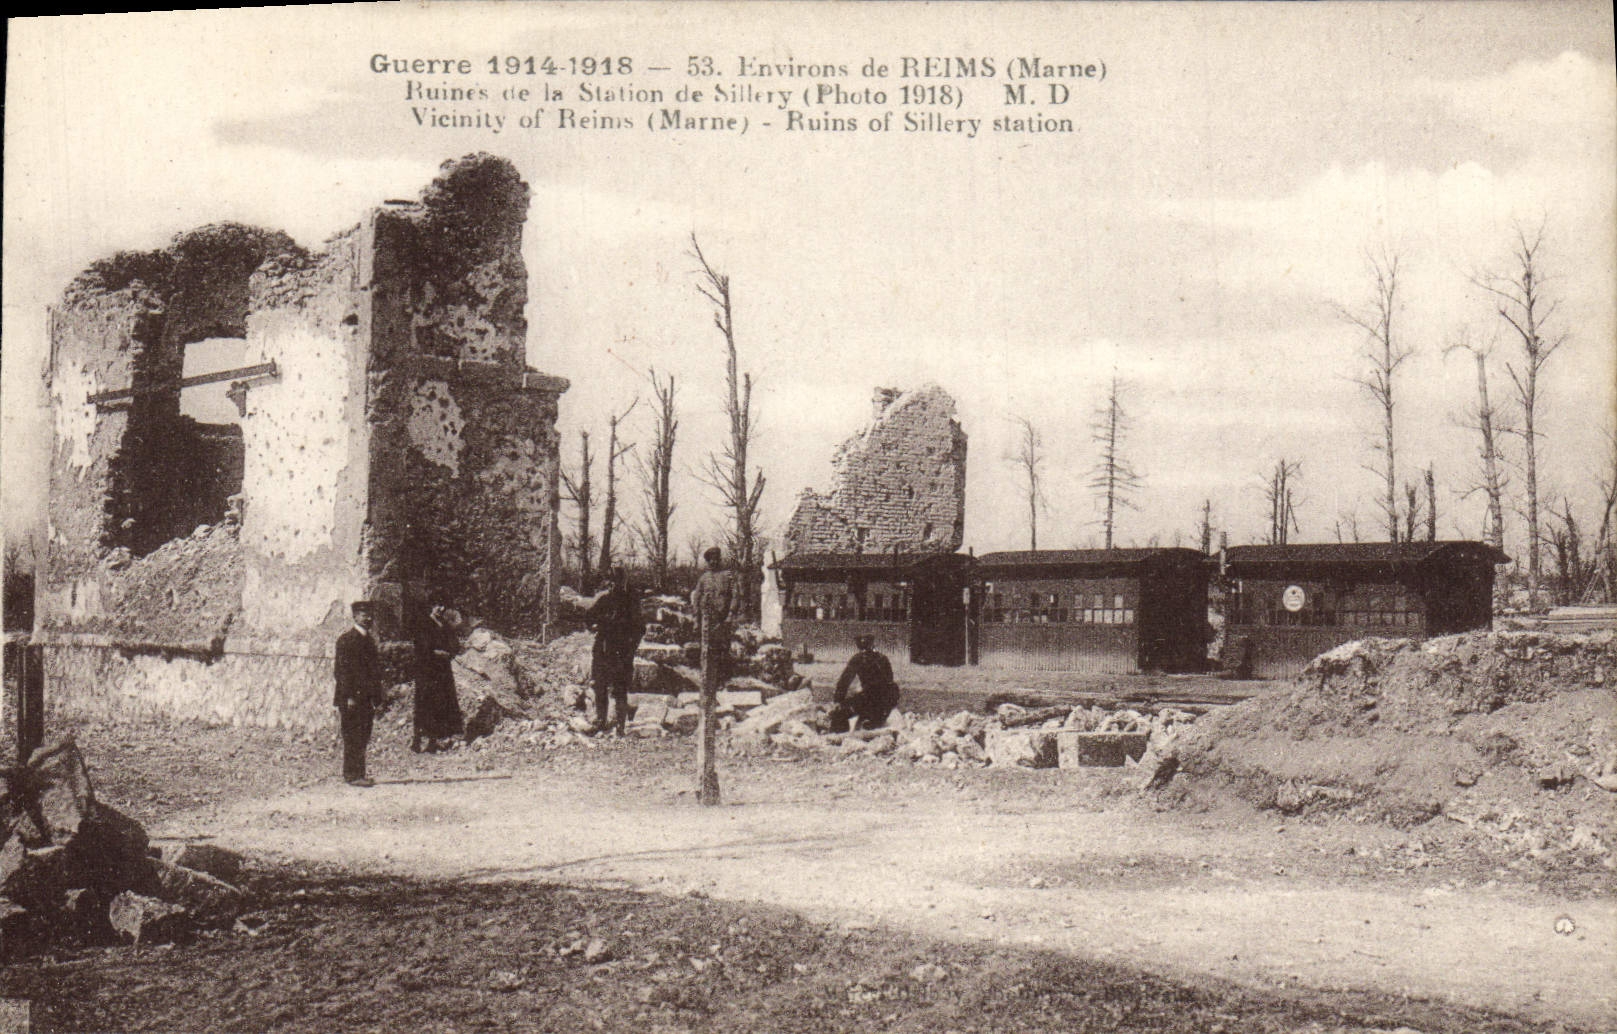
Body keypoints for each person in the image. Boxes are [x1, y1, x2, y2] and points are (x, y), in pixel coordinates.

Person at [334, 600, 385, 786]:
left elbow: (374, 672)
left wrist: (376, 697)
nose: (368, 618)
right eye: (364, 614)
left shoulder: (369, 640)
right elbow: (341, 671)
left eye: (370, 614)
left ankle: (359, 773)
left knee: (363, 734)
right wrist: (348, 696)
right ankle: (351, 775)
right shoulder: (346, 640)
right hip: (351, 698)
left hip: (366, 698)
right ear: (355, 616)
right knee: (352, 735)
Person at [588, 567, 644, 736]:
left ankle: (620, 724)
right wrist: (593, 625)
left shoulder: (631, 602)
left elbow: (640, 628)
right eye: (611, 582)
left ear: (623, 582)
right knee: (600, 686)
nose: (613, 585)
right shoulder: (604, 600)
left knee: (620, 688)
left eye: (617, 581)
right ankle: (601, 720)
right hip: (603, 649)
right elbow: (589, 616)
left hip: (621, 651)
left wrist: (631, 648)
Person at [412, 602, 464, 752]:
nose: (441, 609)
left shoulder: (445, 625)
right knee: (426, 702)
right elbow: (420, 647)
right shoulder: (423, 623)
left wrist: (450, 652)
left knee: (442, 701)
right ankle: (420, 740)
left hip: (442, 670)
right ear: (431, 606)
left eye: (443, 606)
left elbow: (455, 644)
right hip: (427, 670)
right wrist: (435, 653)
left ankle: (437, 739)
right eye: (437, 605)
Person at [830, 634, 900, 733]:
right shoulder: (883, 658)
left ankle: (838, 738)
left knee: (839, 714)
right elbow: (890, 680)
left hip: (869, 699)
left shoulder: (858, 659)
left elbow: (844, 682)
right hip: (886, 701)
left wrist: (838, 701)